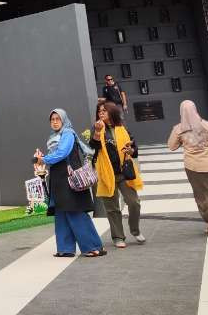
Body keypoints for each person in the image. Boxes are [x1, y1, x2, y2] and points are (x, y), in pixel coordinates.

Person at [33, 109, 106, 258]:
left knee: (76, 212)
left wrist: (44, 159)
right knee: (61, 214)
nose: (54, 122)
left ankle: (92, 247)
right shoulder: (53, 137)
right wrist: (43, 158)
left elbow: (62, 153)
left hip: (70, 180)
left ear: (64, 120)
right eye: (52, 119)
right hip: (59, 180)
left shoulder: (67, 133)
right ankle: (65, 249)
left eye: (57, 119)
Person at [168, 100, 208, 238]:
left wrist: (182, 141)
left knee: (201, 196)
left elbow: (171, 146)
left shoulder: (179, 129)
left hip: (192, 167)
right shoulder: (207, 126)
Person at [90, 102, 144, 248]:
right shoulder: (97, 128)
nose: (101, 113)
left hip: (123, 173)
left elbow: (133, 147)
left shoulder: (122, 128)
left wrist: (130, 150)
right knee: (112, 208)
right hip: (106, 174)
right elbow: (93, 146)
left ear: (112, 112)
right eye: (99, 111)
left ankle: (135, 229)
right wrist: (96, 132)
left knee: (134, 203)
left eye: (104, 111)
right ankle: (118, 237)